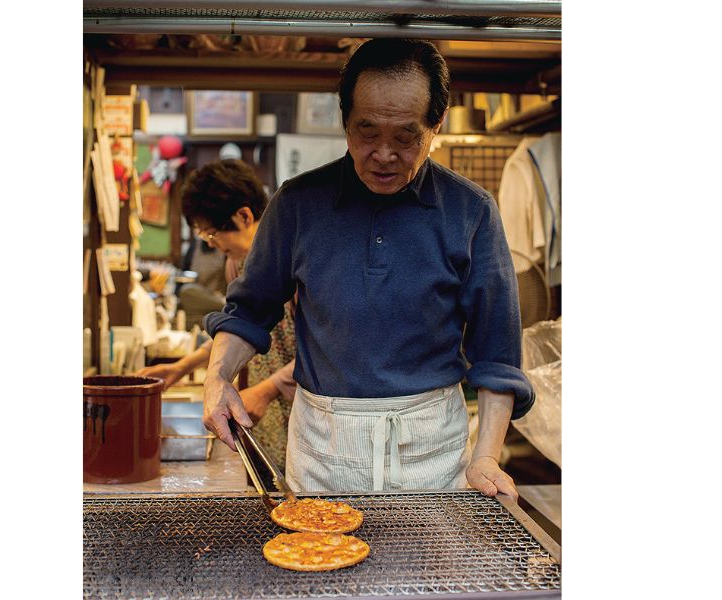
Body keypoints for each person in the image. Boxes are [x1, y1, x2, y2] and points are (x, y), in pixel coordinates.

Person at [202, 38, 535, 500]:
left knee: (427, 572)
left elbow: (497, 356)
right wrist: (217, 378)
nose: (383, 154)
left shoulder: (472, 211)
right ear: (344, 120)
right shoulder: (297, 204)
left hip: (432, 448)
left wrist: (486, 457)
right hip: (323, 445)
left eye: (405, 137)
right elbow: (246, 313)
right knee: (318, 568)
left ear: (436, 125)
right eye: (366, 132)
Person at [138, 159, 297, 470]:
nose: (212, 243)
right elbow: (239, 335)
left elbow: (322, 350)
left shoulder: (292, 260)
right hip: (260, 416)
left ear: (244, 216)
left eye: (212, 234)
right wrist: (181, 368)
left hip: (295, 412)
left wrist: (267, 390)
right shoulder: (235, 263)